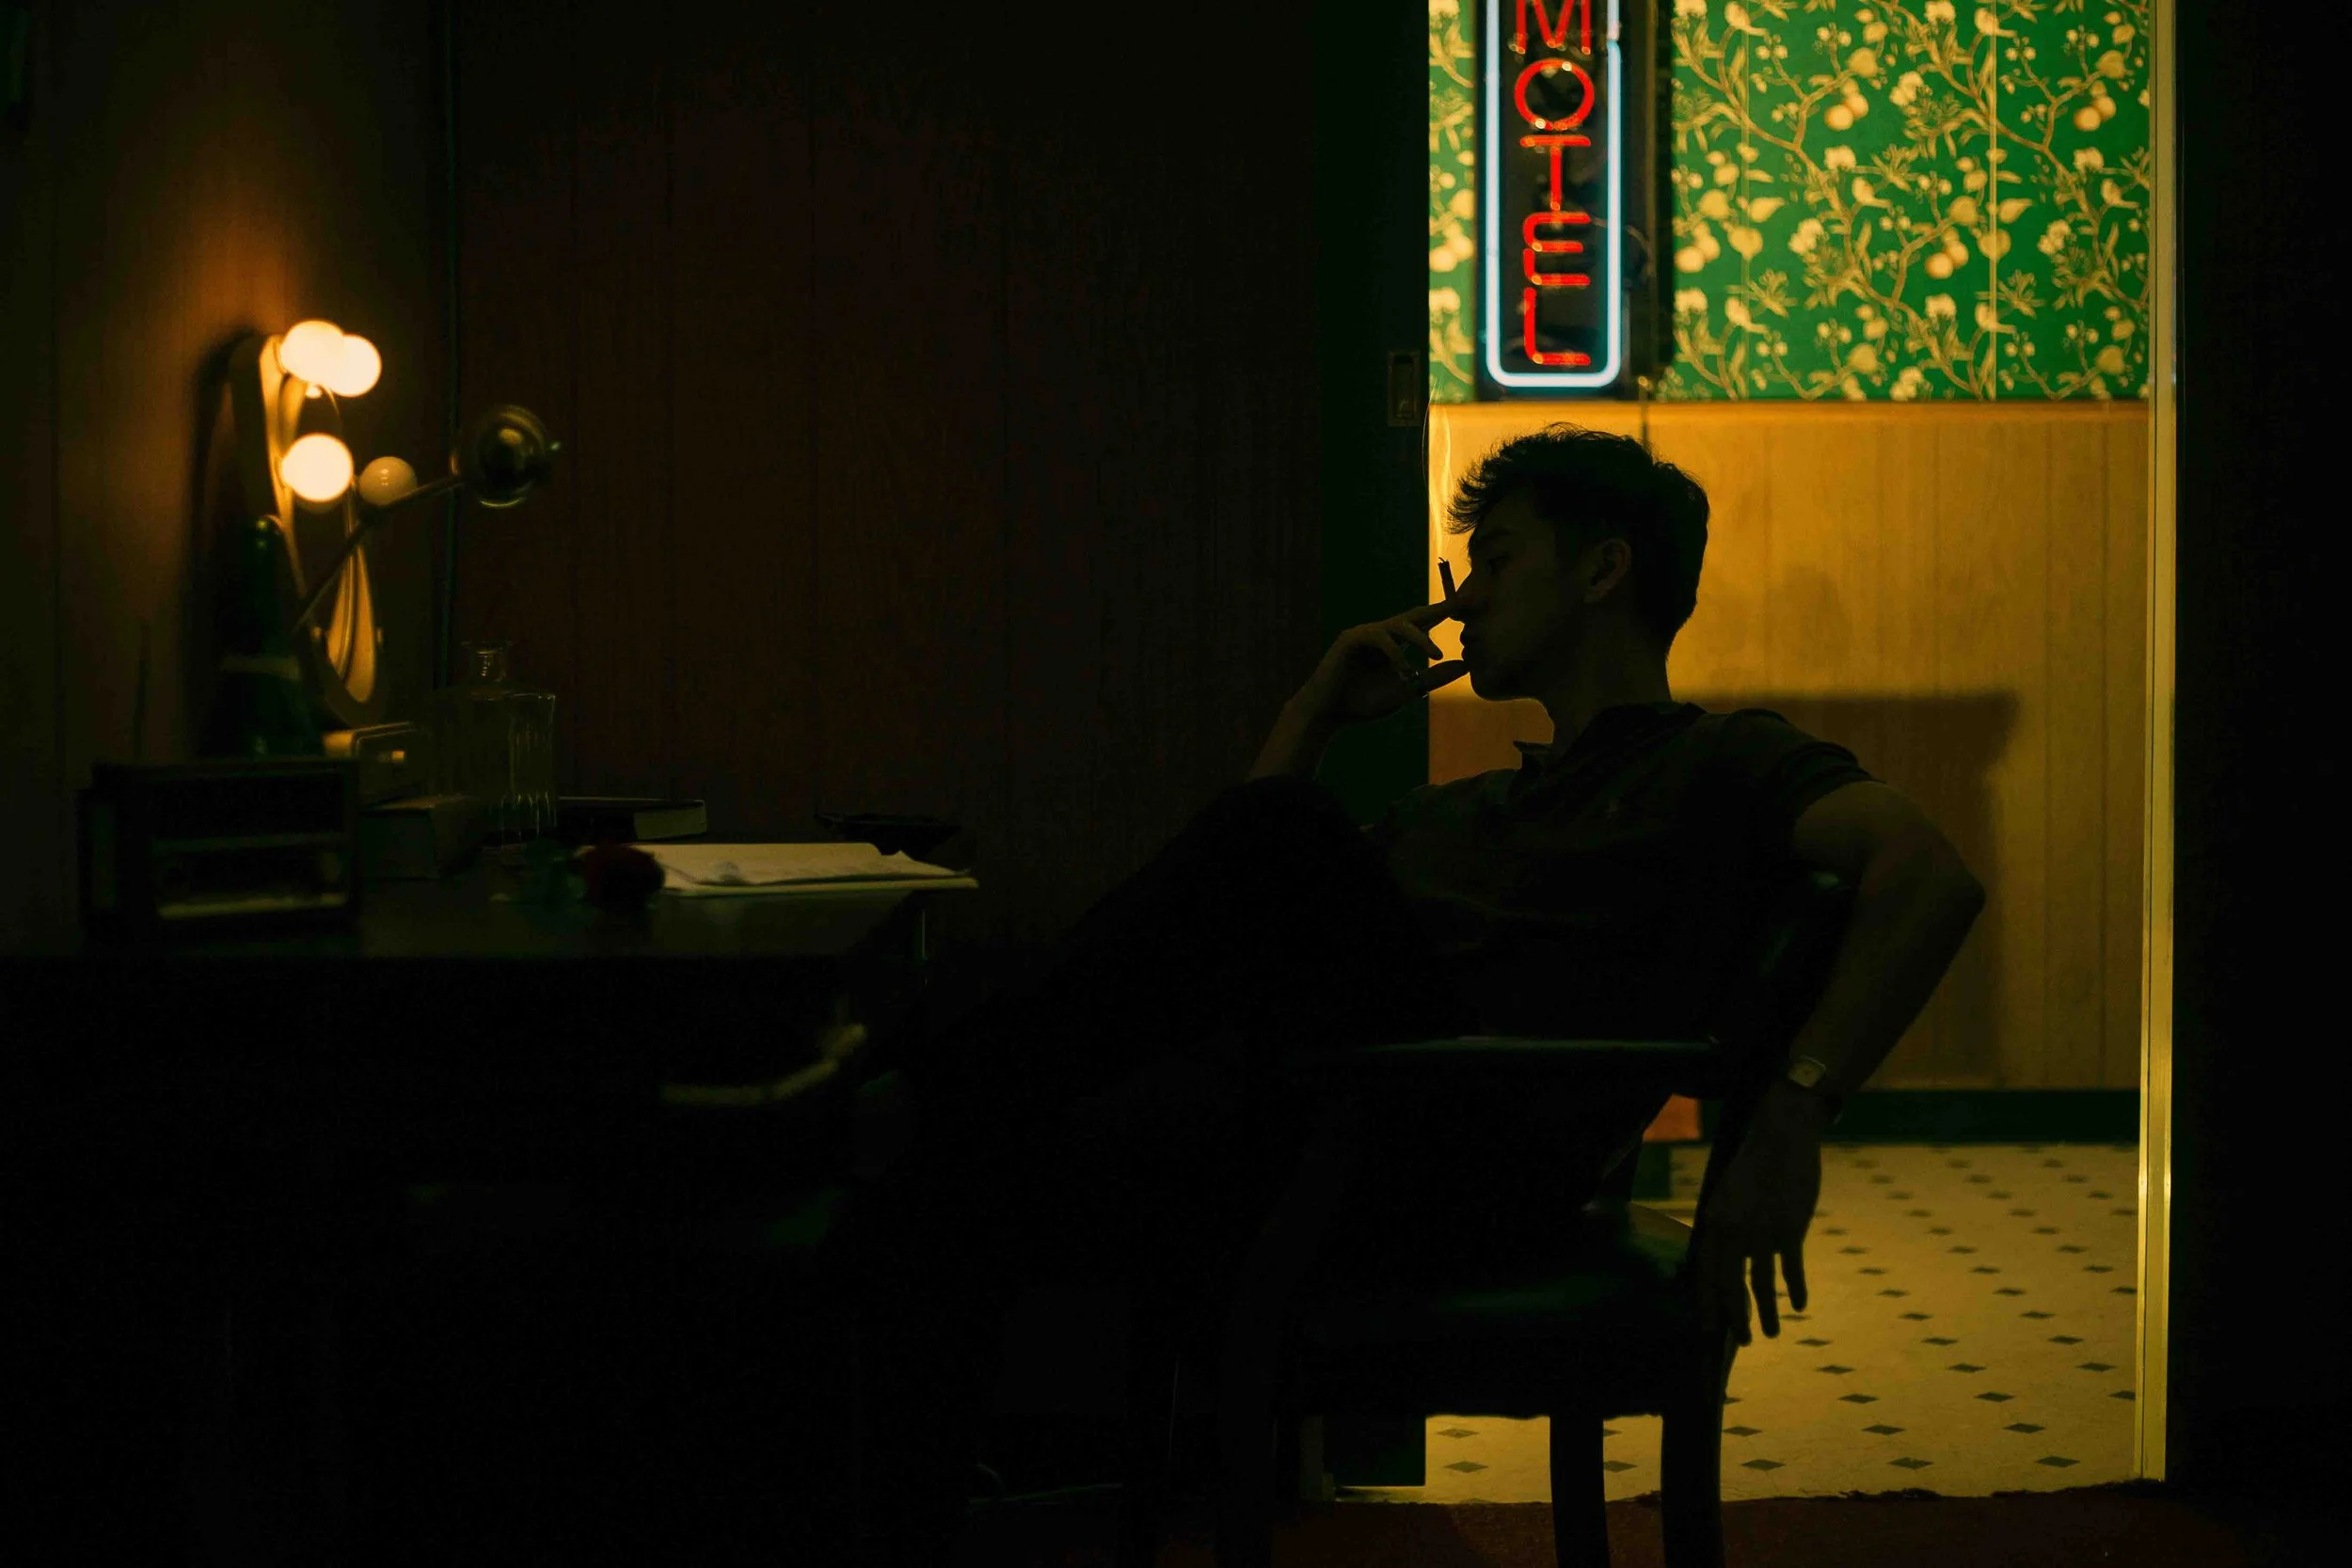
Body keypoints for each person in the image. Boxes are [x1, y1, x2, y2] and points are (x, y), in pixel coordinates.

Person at [829, 422, 1987, 1565]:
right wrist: (1314, 711)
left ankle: (870, 1101)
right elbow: (1216, 927)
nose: (1465, 600)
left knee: (1258, 855)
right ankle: (901, 1496)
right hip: (1331, 1124)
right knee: (963, 1168)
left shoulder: (1717, 761)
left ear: (1600, 569)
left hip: (1474, 1152)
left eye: (1496, 561)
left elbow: (1926, 871)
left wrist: (1792, 1107)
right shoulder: (1464, 809)